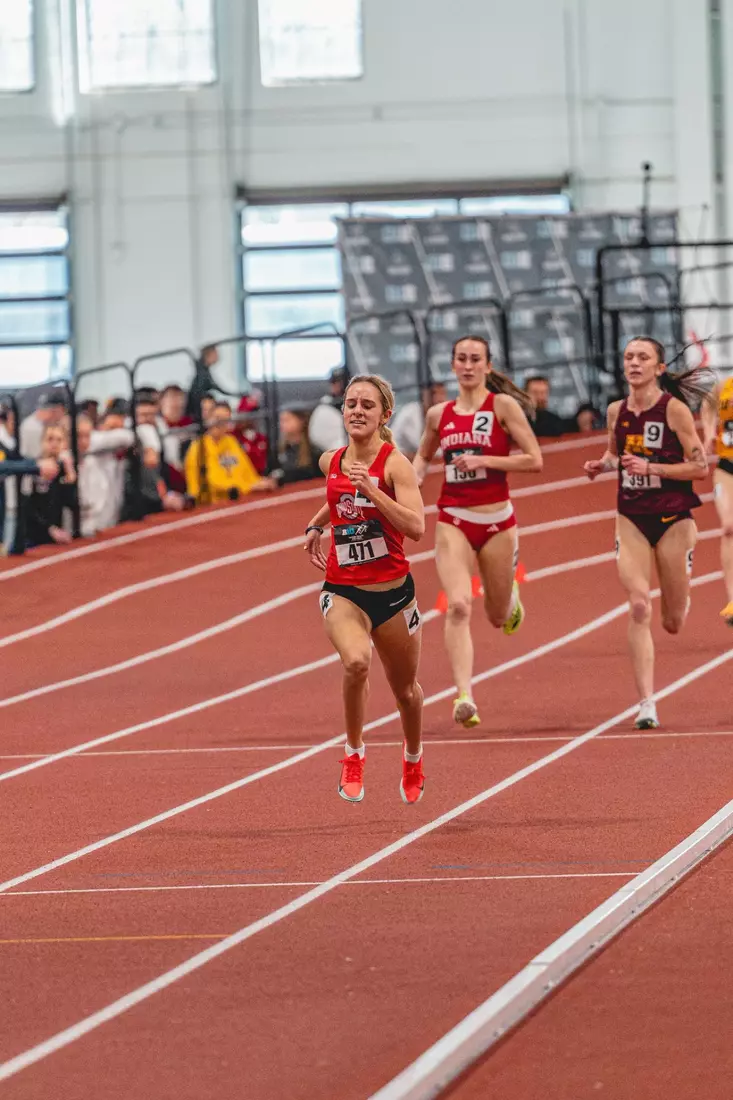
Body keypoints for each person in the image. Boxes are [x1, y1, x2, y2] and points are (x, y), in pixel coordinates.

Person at [304, 374, 426, 805]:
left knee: (406, 692)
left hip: (393, 595)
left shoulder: (396, 465)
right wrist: (317, 523)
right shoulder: (330, 461)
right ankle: (353, 753)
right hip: (343, 590)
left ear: (384, 415)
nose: (357, 410)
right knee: (356, 662)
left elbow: (416, 527)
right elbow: (338, 494)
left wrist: (372, 491)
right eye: (351, 403)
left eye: (367, 405)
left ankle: (412, 757)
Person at [413, 335, 542, 729]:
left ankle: (510, 599)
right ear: (452, 365)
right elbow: (422, 457)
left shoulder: (502, 406)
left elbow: (534, 459)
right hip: (453, 517)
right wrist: (409, 483)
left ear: (488, 366)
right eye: (461, 359)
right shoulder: (439, 414)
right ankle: (464, 695)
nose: (468, 366)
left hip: (497, 521)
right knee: (457, 605)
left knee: (497, 616)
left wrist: (484, 458)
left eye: (475, 359)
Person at [584, 336, 712, 729]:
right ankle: (646, 704)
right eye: (628, 357)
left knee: (672, 621)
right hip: (632, 517)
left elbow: (700, 467)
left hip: (674, 518)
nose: (634, 363)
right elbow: (614, 453)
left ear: (658, 368)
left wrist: (652, 469)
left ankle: (680, 597)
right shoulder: (615, 411)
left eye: (643, 357)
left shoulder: (672, 410)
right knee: (639, 605)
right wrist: (602, 466)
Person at [184, 400, 273, 503]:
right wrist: (248, 486)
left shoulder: (231, 441)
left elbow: (247, 471)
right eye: (217, 419)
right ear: (209, 419)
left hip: (235, 498)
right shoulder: (199, 447)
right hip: (208, 503)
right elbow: (213, 481)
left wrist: (260, 481)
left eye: (225, 420)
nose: (220, 424)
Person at [702, 370, 733, 625]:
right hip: (727, 468)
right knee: (728, 528)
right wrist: (709, 432)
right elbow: (707, 402)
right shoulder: (725, 386)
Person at [391, 381, 448, 459]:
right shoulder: (410, 413)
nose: (439, 399)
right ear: (424, 395)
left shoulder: (443, 414)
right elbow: (421, 448)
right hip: (398, 457)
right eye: (434, 394)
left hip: (420, 459)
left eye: (442, 394)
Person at [270, 407, 323, 486]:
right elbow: (269, 473)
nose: (282, 424)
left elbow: (309, 475)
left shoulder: (314, 452)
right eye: (281, 420)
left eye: (287, 420)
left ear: (301, 421)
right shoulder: (277, 451)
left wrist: (280, 479)